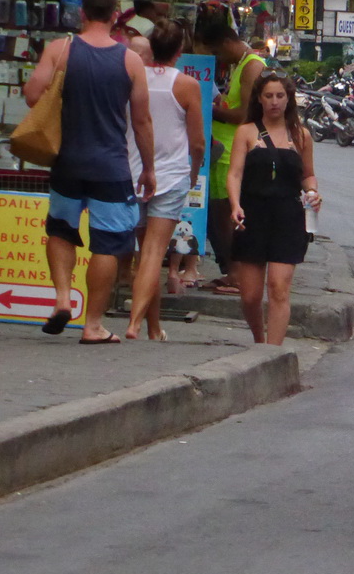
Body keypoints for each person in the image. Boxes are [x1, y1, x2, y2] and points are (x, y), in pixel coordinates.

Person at [24, 0, 154, 344]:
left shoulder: (60, 50)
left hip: (67, 161)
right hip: (111, 166)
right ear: (116, 17)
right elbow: (142, 122)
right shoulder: (130, 61)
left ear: (81, 14)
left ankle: (62, 300)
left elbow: (33, 96)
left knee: (61, 229)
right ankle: (93, 324)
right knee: (108, 244)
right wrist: (149, 168)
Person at [124, 20, 206, 341]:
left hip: (135, 173)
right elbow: (198, 142)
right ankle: (134, 324)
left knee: (144, 254)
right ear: (180, 51)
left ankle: (154, 328)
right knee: (155, 255)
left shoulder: (134, 77)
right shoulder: (186, 85)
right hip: (171, 176)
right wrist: (195, 169)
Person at [226, 72, 320, 345]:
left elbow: (308, 175)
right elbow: (234, 174)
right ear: (259, 98)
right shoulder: (246, 132)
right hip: (252, 215)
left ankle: (273, 351)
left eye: (280, 96)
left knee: (279, 288)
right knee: (250, 295)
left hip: (288, 218)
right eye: (269, 96)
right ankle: (259, 338)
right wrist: (235, 205)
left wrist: (313, 193)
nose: (275, 102)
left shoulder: (300, 136)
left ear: (289, 99)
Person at [201, 21, 266, 294]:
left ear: (227, 43)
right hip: (222, 147)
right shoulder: (240, 64)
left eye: (217, 52)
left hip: (232, 150)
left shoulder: (252, 64)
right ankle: (231, 270)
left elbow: (243, 114)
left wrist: (207, 109)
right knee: (217, 214)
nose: (217, 58)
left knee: (227, 213)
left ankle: (237, 273)